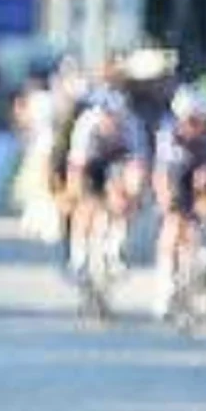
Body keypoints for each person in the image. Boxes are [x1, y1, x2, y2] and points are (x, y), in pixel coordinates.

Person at [152, 81, 206, 321]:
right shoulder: (169, 134)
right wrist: (167, 203)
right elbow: (162, 175)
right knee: (174, 223)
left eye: (197, 121)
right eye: (186, 120)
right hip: (178, 177)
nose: (191, 126)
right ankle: (166, 285)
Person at [64, 87, 147, 286]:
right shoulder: (86, 124)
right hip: (91, 162)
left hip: (119, 161)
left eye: (115, 117)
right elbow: (76, 167)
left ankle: (115, 250)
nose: (111, 122)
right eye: (107, 117)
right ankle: (79, 257)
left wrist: (133, 195)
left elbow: (138, 165)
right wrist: (74, 194)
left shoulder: (132, 125)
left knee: (126, 195)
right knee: (85, 204)